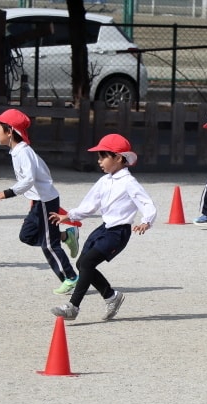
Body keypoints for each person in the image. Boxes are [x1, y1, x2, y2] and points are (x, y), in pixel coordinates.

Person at [48, 134, 157, 321]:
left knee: (87, 263)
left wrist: (146, 221)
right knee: (82, 264)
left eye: (103, 156)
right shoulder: (104, 181)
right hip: (104, 229)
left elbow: (146, 203)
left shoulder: (129, 182)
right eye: (99, 157)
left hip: (118, 232)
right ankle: (111, 296)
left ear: (118, 158)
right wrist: (69, 215)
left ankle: (73, 307)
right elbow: (90, 204)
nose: (99, 161)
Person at [0, 109, 80, 295]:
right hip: (39, 202)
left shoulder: (24, 152)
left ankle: (70, 278)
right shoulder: (17, 151)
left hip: (45, 202)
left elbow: (29, 180)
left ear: (9, 131)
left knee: (49, 245)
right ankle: (66, 236)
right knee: (27, 235)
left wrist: (7, 193)